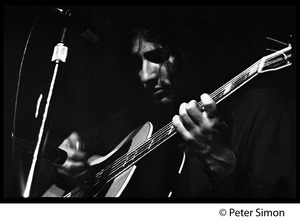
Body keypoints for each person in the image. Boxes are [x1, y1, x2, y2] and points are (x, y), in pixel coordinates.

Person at [42, 6, 296, 199]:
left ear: (193, 49)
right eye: (138, 62)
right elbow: (43, 155)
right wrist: (64, 163)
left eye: (159, 56)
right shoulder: (133, 119)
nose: (145, 75)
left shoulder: (262, 109)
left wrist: (220, 159)